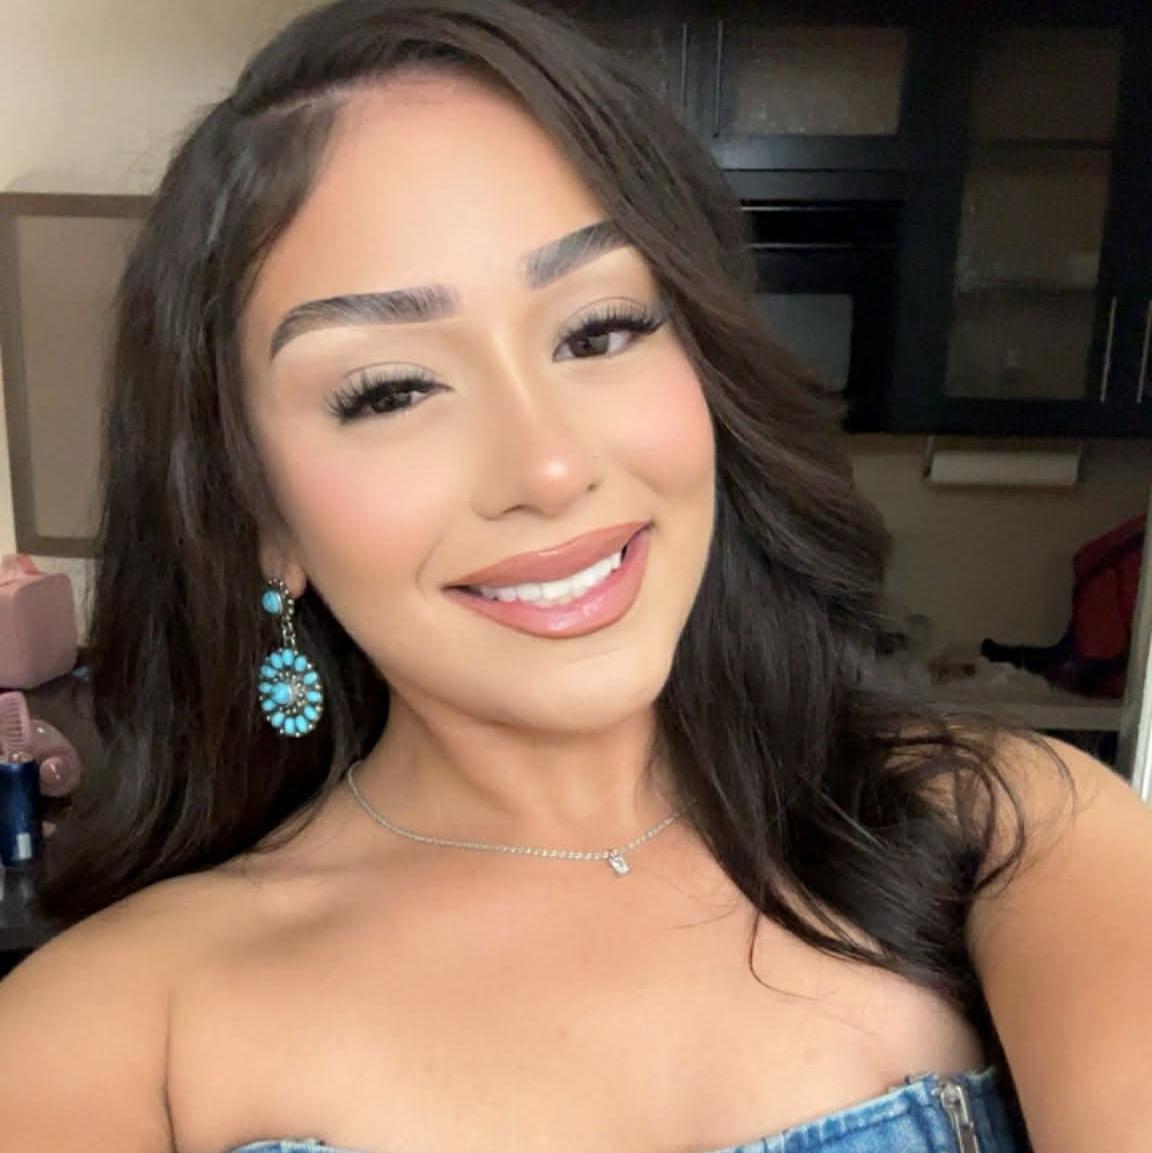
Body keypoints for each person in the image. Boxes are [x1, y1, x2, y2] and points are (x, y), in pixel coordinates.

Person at [2, 2, 1150, 1151]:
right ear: (262, 515)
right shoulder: (113, 1027)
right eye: (391, 390)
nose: (549, 468)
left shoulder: (1014, 834)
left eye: (599, 331)